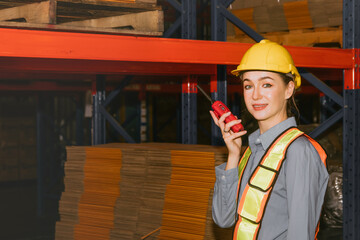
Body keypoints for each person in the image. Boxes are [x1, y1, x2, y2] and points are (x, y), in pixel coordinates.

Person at [211, 39, 329, 240]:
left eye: (266, 84)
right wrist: (233, 155)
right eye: (248, 86)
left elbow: (301, 234)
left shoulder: (298, 151)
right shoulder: (252, 151)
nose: (256, 95)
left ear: (289, 89)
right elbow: (224, 219)